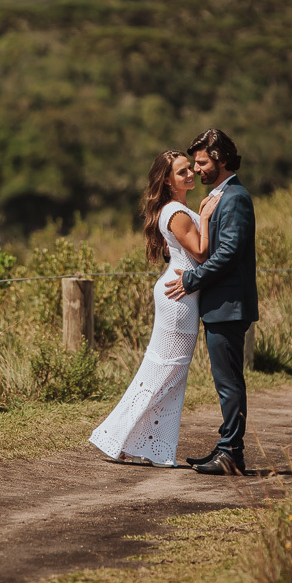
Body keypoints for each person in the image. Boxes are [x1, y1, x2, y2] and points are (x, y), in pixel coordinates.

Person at [89, 149, 219, 467]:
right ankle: (115, 438)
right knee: (163, 371)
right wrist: (204, 215)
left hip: (180, 293)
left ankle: (141, 444)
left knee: (167, 374)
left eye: (191, 168)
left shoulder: (174, 209)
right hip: (179, 298)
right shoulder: (177, 213)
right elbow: (202, 253)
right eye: (182, 171)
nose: (190, 174)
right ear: (167, 180)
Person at [164, 129, 257, 476]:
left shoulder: (235, 198)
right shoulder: (220, 197)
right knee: (225, 381)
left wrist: (190, 281)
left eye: (202, 162)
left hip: (229, 305)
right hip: (220, 305)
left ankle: (232, 453)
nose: (198, 169)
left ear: (220, 159)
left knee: (229, 382)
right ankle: (226, 447)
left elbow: (229, 254)